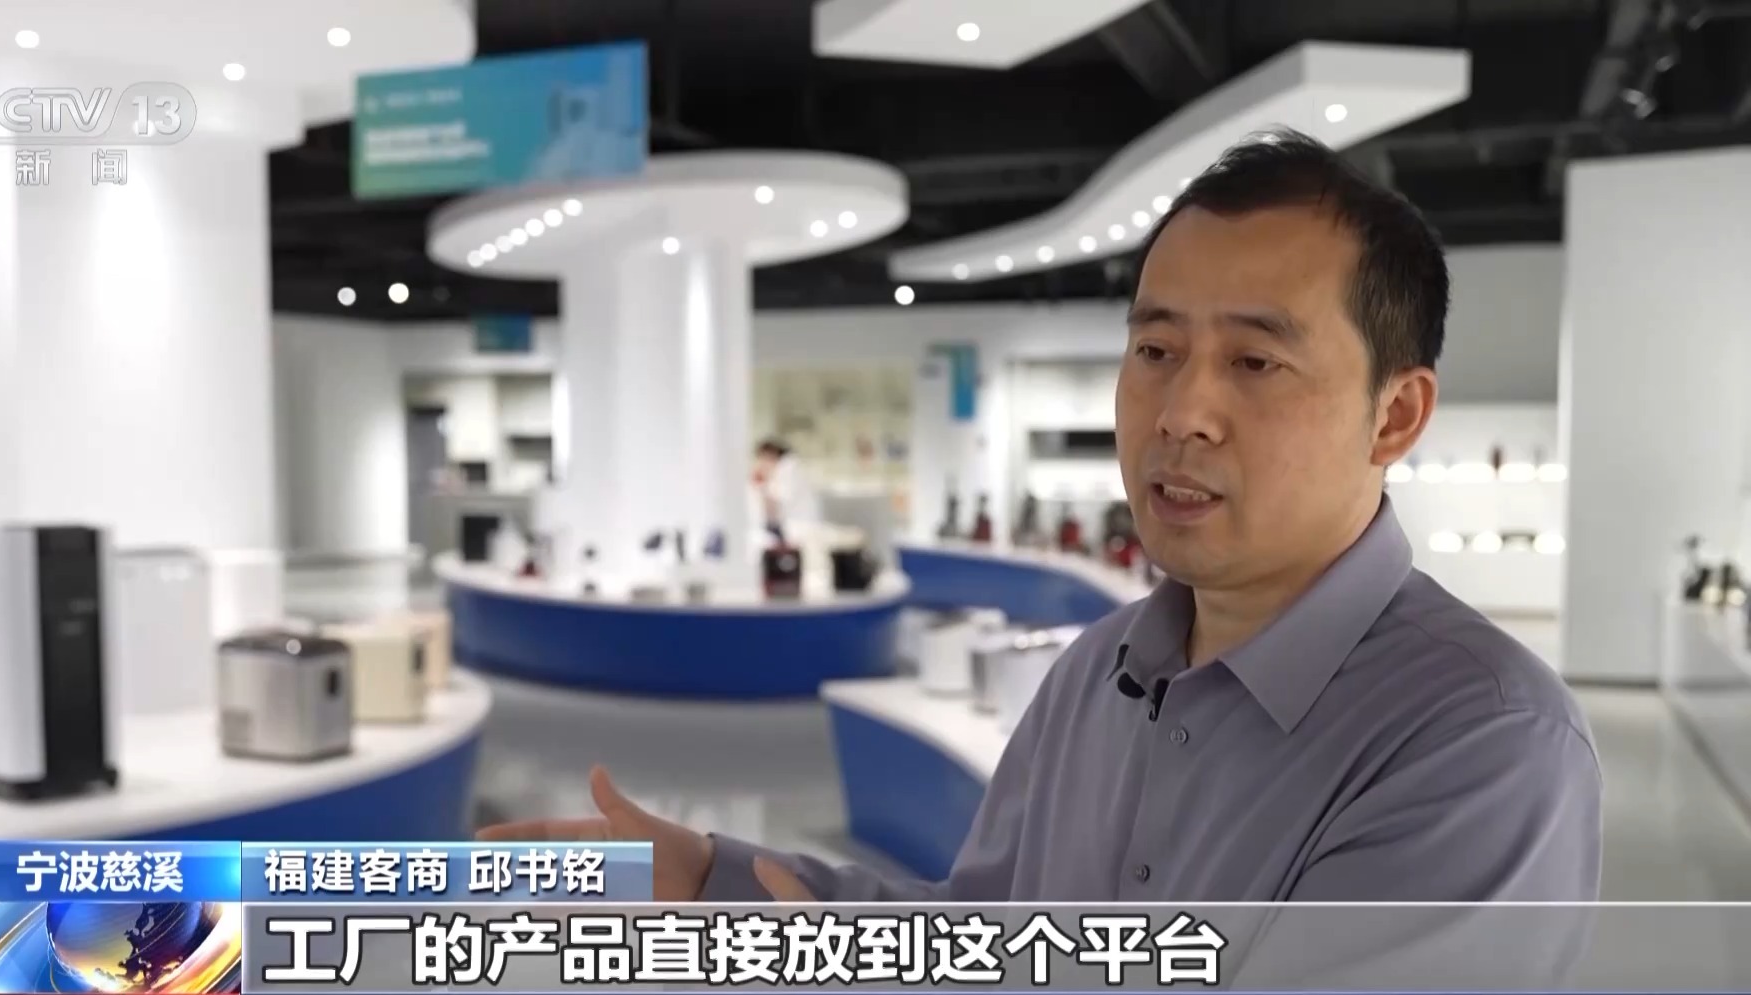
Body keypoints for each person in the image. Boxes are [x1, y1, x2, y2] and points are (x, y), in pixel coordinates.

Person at [480, 131, 1601, 914]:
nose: (1182, 410)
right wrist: (711, 879)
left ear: (1394, 415)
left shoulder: (1482, 742)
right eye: (1155, 349)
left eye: (1255, 361)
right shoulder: (1093, 678)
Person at [749, 438, 818, 536]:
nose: (763, 463)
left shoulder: (789, 467)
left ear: (772, 453)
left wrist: (763, 484)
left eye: (764, 457)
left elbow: (783, 496)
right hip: (790, 525)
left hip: (801, 524)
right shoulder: (781, 469)